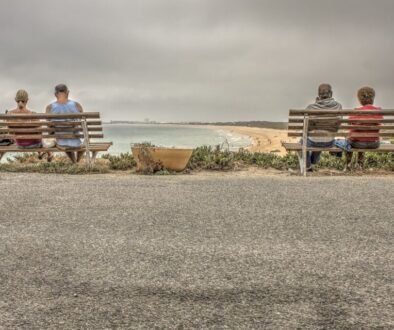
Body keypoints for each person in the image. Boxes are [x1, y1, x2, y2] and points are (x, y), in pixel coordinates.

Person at [303, 83, 342, 171]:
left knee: (303, 141)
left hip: (313, 142)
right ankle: (313, 162)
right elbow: (338, 126)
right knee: (322, 137)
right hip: (329, 142)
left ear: (318, 95)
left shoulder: (311, 107)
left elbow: (305, 125)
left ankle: (308, 166)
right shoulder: (338, 106)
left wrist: (317, 103)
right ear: (331, 94)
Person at [7, 90, 53, 161]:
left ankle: (41, 153)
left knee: (35, 137)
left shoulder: (9, 114)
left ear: (16, 100)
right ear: (27, 100)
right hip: (34, 145)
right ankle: (49, 154)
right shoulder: (32, 114)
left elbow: (10, 132)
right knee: (39, 139)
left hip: (20, 145)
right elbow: (39, 132)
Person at [345, 87, 383, 170]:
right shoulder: (378, 111)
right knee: (363, 138)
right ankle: (360, 165)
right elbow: (380, 123)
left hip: (358, 144)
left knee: (349, 141)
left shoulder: (356, 111)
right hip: (374, 144)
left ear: (360, 99)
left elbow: (349, 123)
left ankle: (348, 165)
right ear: (372, 98)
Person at [46, 84, 84, 163]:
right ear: (68, 93)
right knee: (78, 142)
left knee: (64, 139)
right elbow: (82, 126)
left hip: (61, 143)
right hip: (76, 142)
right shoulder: (77, 105)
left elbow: (49, 131)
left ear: (55, 94)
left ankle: (74, 162)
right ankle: (76, 161)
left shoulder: (49, 108)